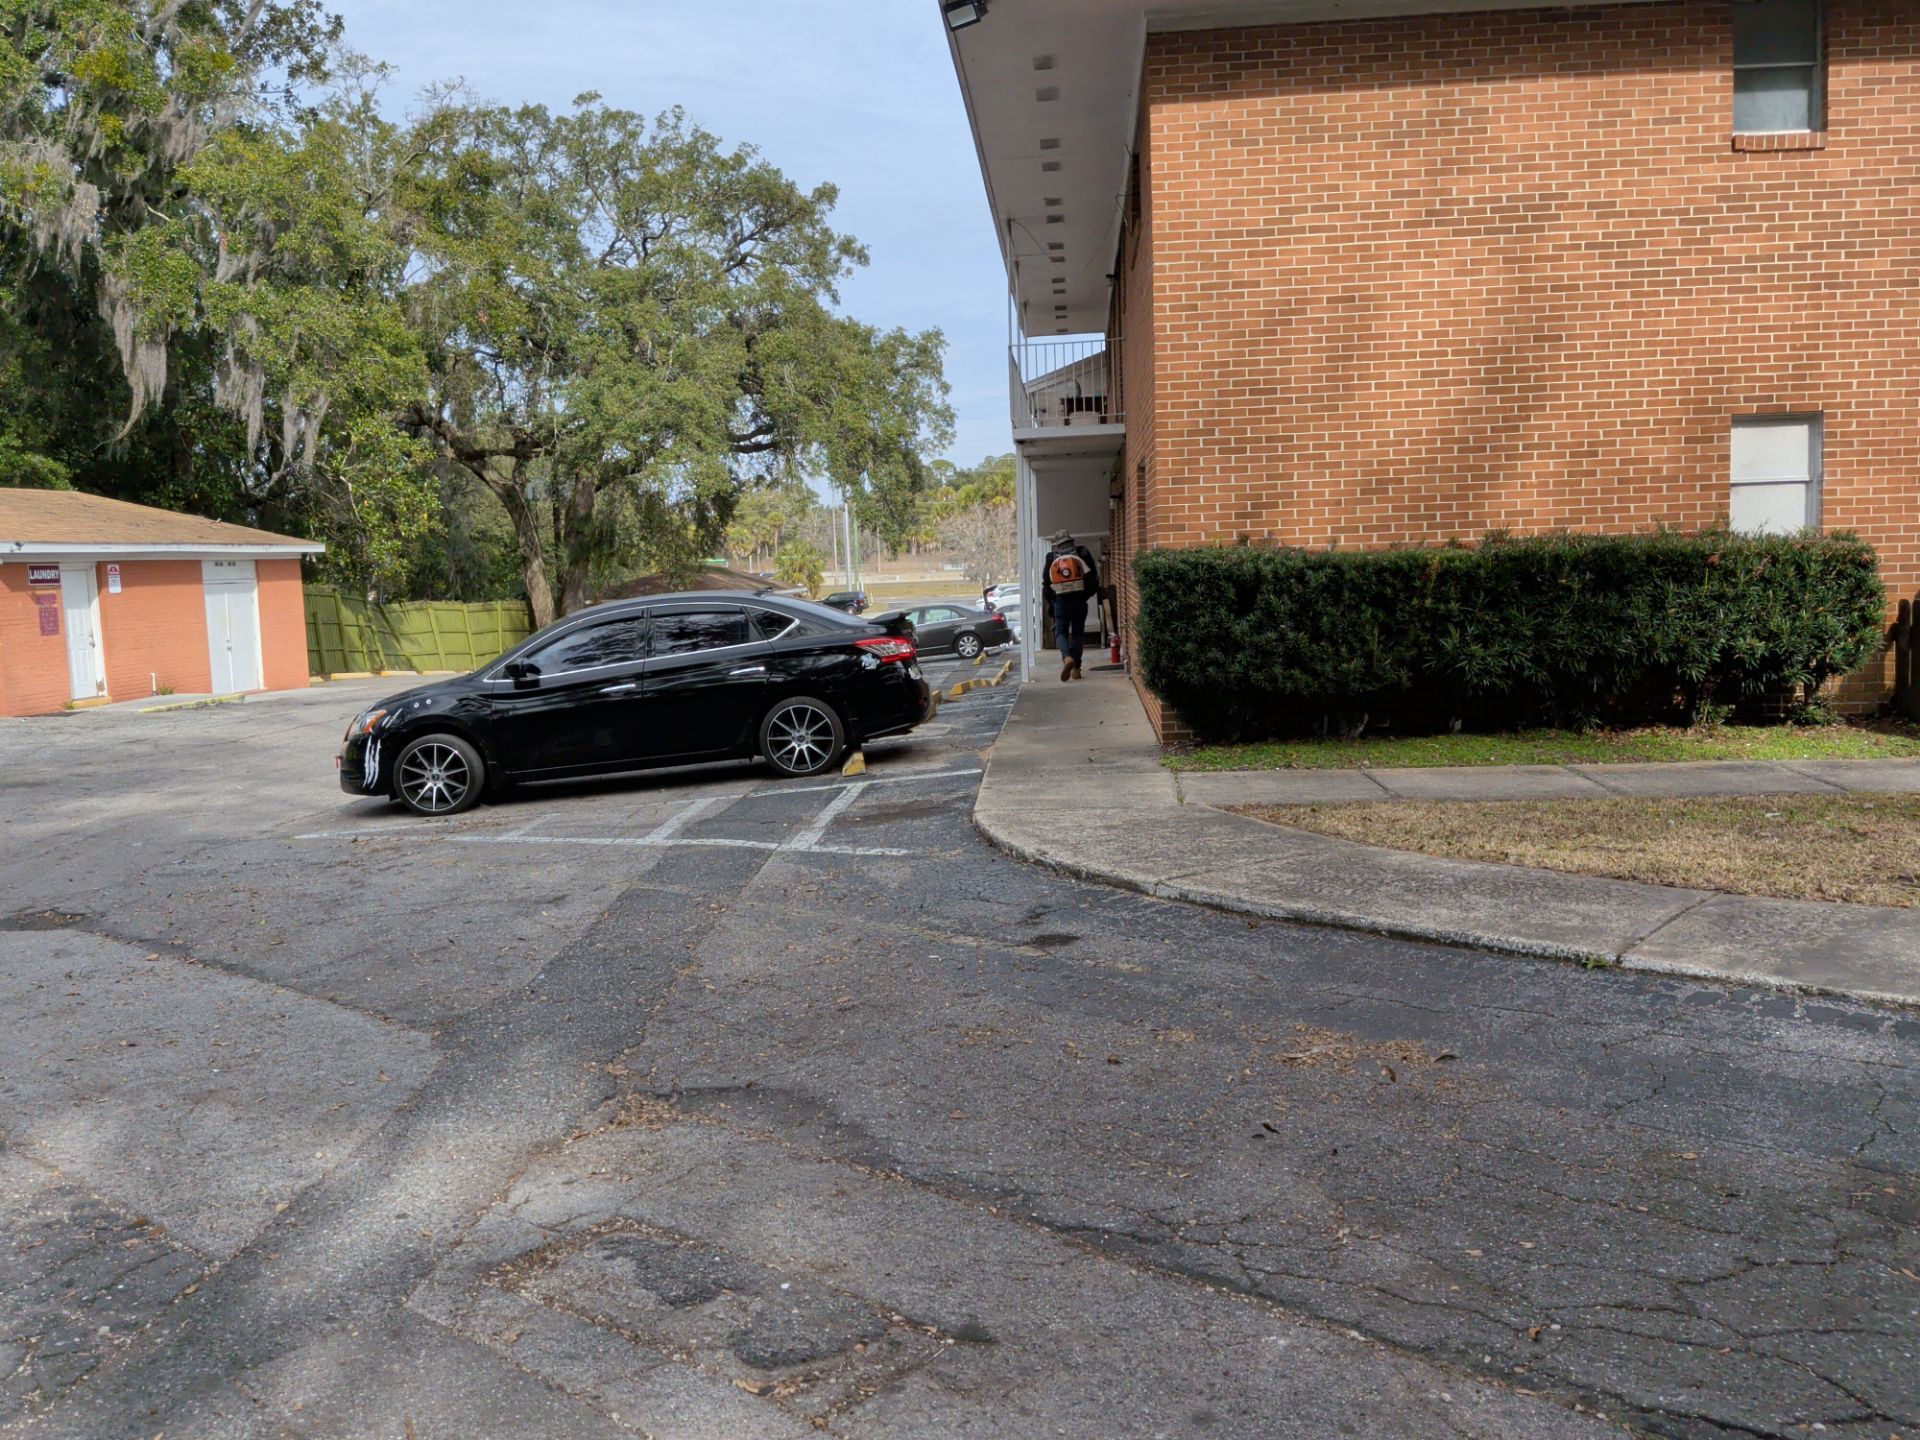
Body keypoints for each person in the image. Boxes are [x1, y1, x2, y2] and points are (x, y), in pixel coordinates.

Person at [1041, 528, 1099, 682]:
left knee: (1061, 633)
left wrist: (1052, 600)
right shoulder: (1082, 553)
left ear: (1056, 545)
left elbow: (1046, 584)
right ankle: (1076, 669)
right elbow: (1093, 578)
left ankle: (1067, 658)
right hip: (1079, 600)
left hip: (1061, 601)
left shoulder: (1051, 557)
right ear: (1071, 541)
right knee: (1078, 634)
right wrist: (1086, 595)